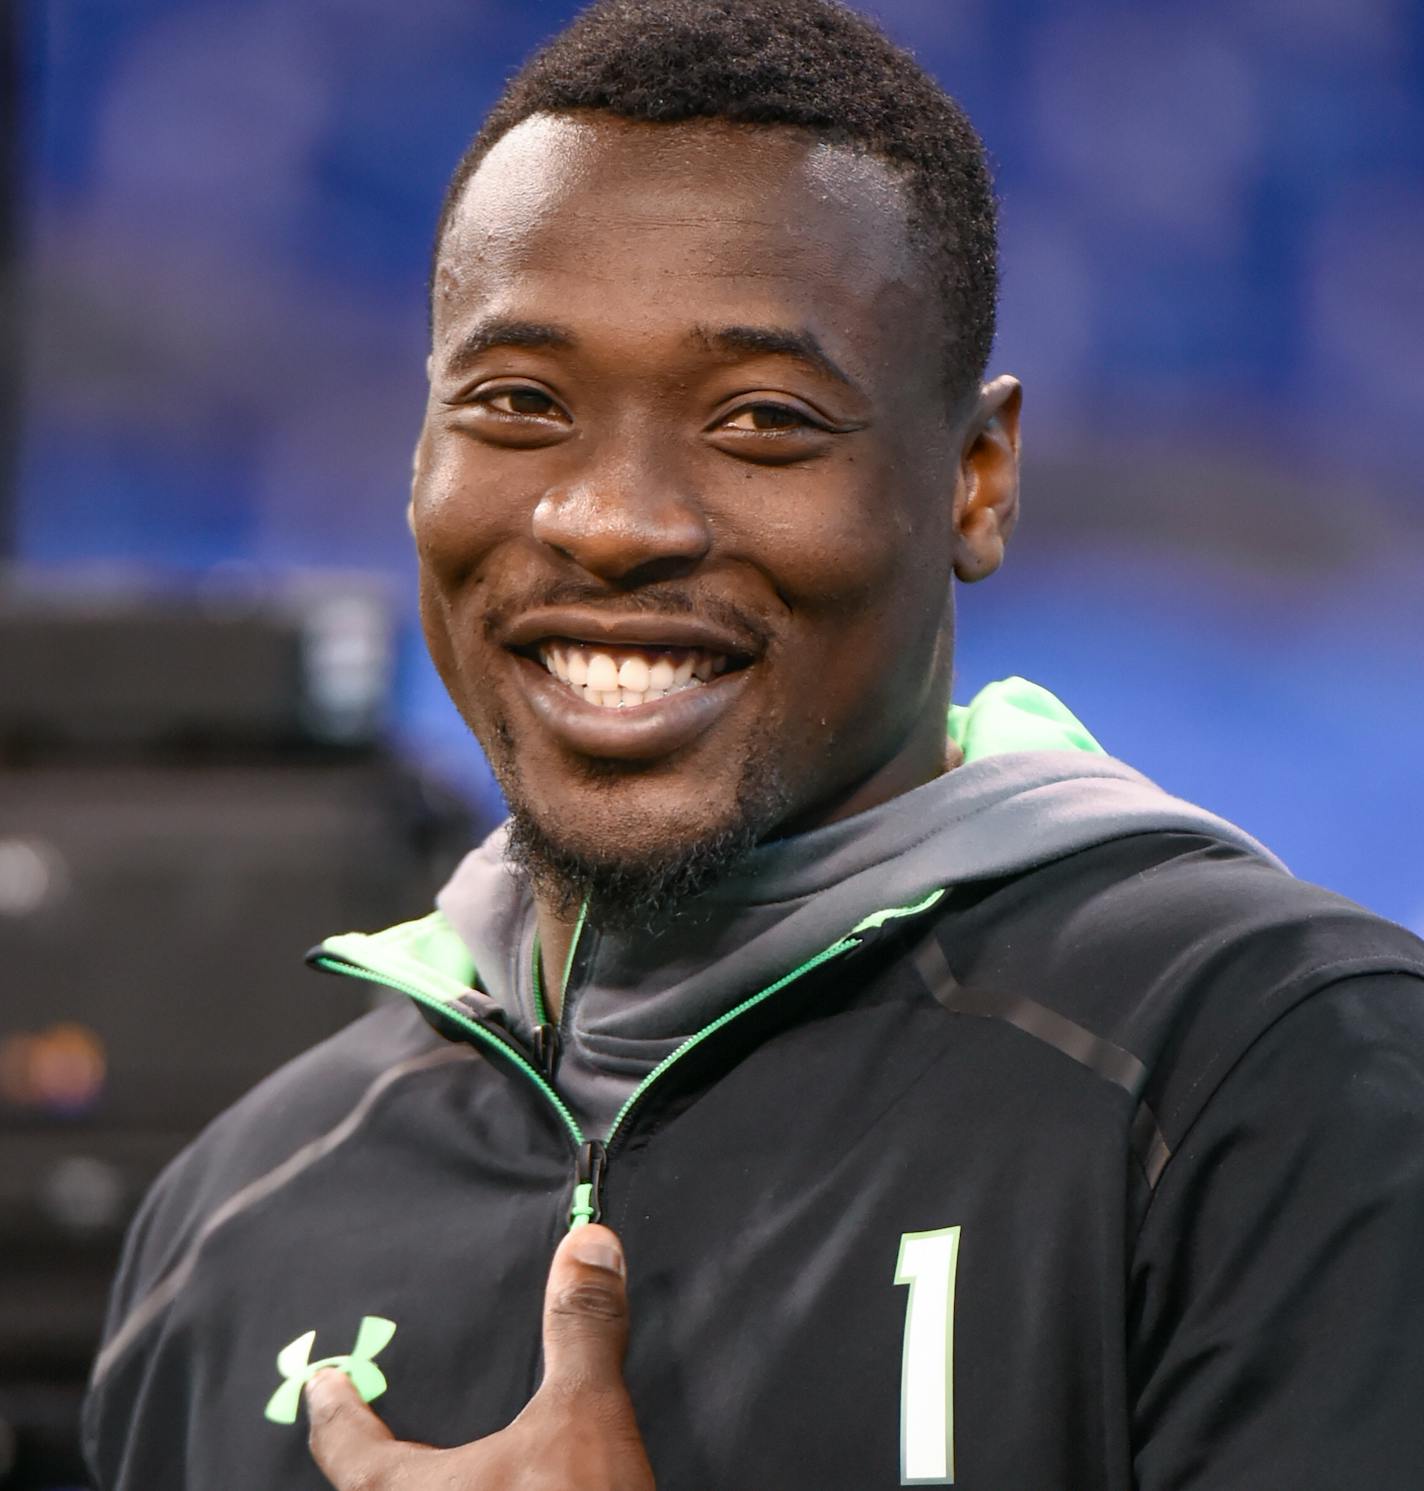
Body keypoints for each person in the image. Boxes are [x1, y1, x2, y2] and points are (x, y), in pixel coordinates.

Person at [83, 1, 1424, 1486]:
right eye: (518, 404)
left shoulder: (1277, 1070)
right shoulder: (241, 1213)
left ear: (977, 481)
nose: (611, 521)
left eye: (763, 420)